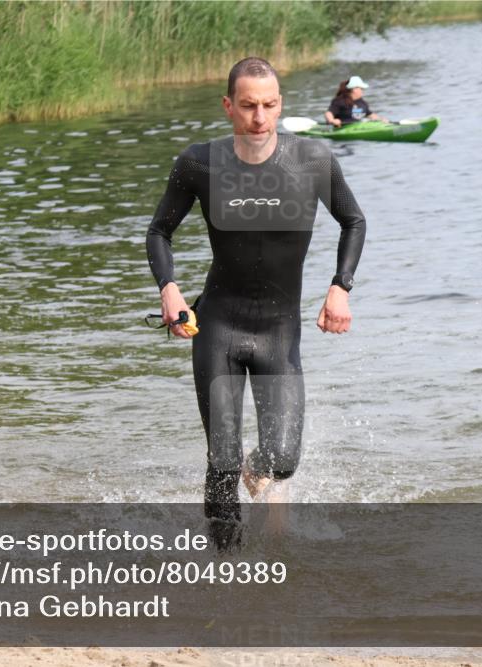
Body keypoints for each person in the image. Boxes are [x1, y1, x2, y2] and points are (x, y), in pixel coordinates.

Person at [146, 57, 366, 551]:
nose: (259, 118)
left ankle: (258, 477)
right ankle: (227, 573)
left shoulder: (312, 161)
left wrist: (340, 286)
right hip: (218, 325)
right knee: (221, 461)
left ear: (280, 104)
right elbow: (159, 231)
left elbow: (354, 221)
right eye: (248, 106)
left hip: (279, 332)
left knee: (282, 458)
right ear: (229, 106)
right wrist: (169, 288)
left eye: (269, 106)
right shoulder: (198, 163)